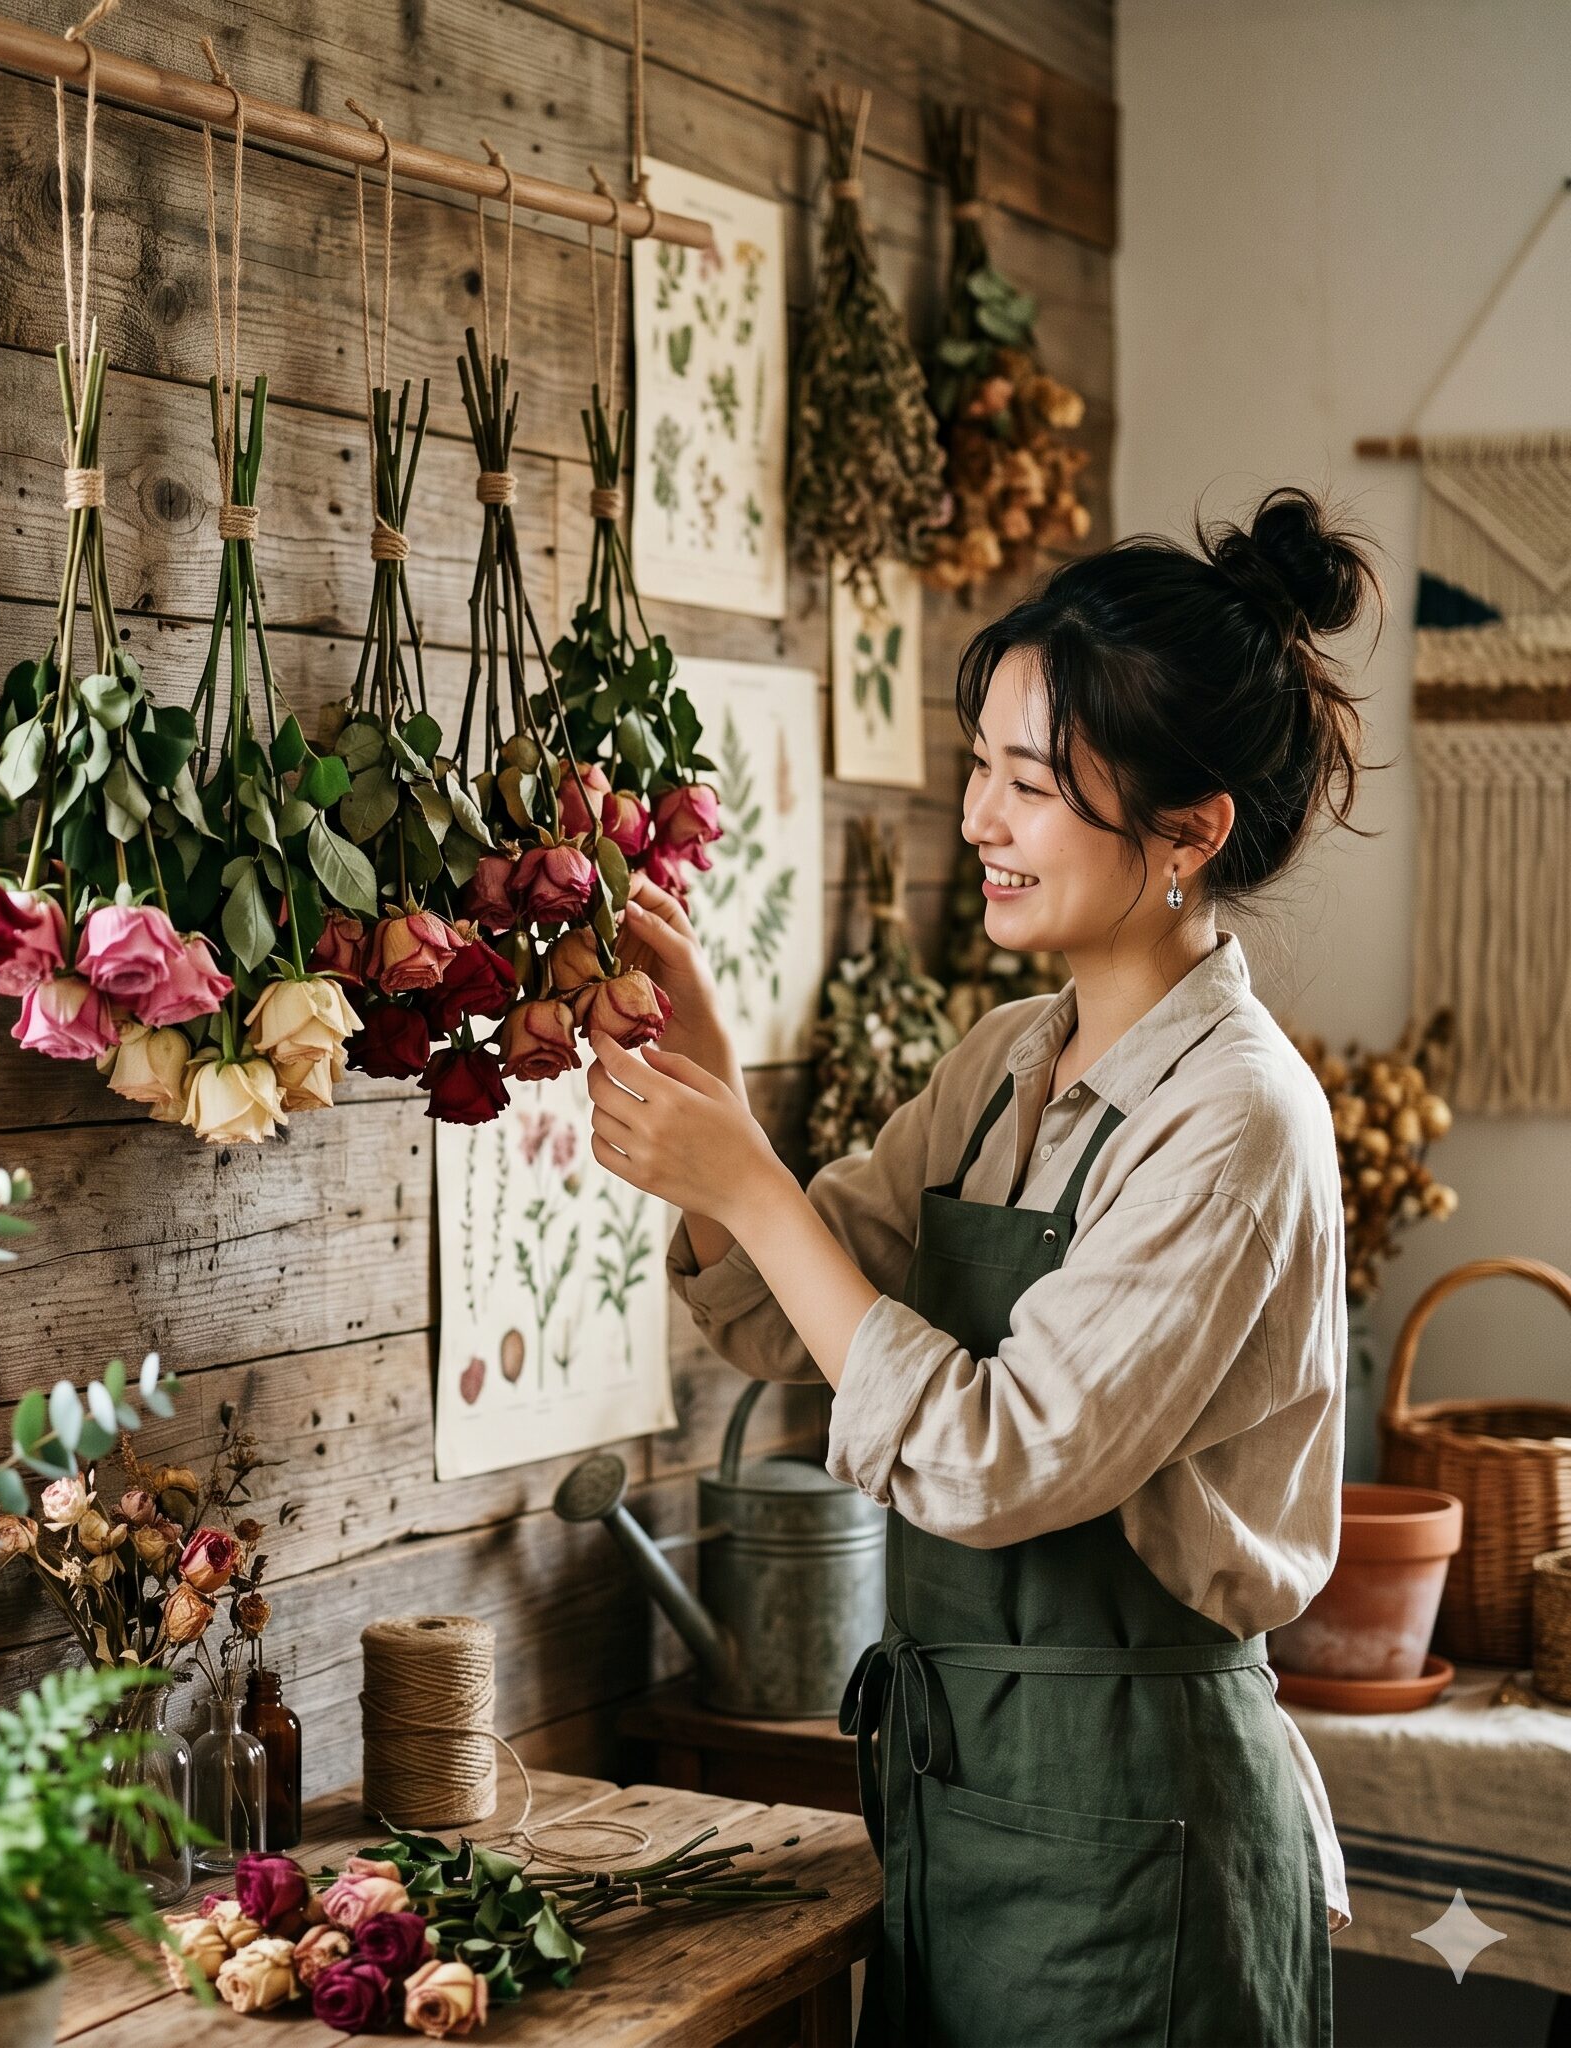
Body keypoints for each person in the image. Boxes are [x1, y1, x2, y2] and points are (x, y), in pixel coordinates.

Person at [589, 486, 1377, 2047]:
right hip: (962, 1816)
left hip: (1143, 1843)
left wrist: (753, 1183)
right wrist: (718, 1099)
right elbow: (773, 1312)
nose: (977, 823)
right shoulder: (1007, 1060)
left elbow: (1005, 1454)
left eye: (1032, 783)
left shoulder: (1238, 1119)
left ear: (1189, 829)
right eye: (978, 770)